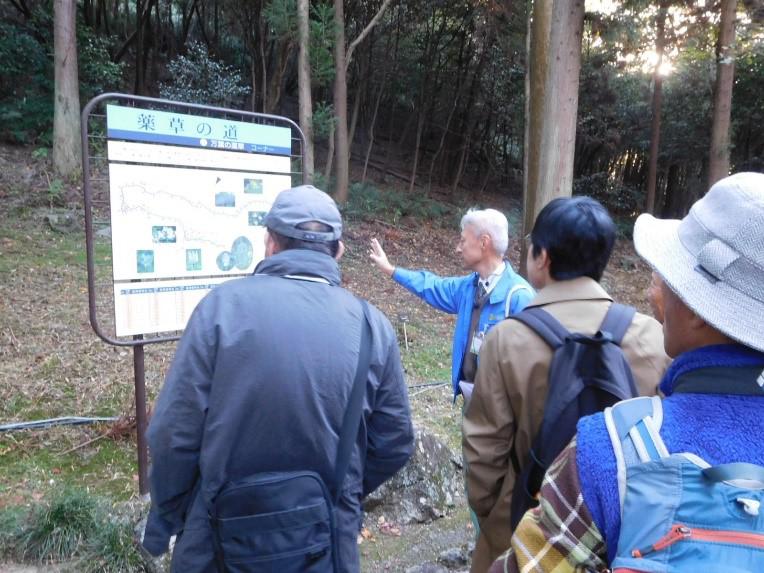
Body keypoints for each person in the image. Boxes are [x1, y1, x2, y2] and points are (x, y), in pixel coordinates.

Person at [488, 172, 764, 573]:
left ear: (699, 309)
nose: (657, 293)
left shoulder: (607, 450)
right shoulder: (646, 335)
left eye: (669, 278)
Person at [142, 185, 415, 573]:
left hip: (218, 540)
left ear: (270, 244)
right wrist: (339, 494)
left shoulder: (221, 308)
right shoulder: (373, 327)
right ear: (337, 251)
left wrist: (168, 517)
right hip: (326, 545)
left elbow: (173, 433)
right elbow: (396, 440)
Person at [463, 196, 670, 572]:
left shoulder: (507, 339)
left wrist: (492, 513)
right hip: (622, 535)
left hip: (523, 529)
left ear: (542, 258)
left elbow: (484, 451)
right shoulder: (651, 337)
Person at [369, 208, 534, 399]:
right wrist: (391, 270)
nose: (458, 248)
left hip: (504, 413)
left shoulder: (519, 297)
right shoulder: (470, 287)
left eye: (463, 240)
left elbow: (531, 370)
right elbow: (431, 285)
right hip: (472, 403)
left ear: (484, 242)